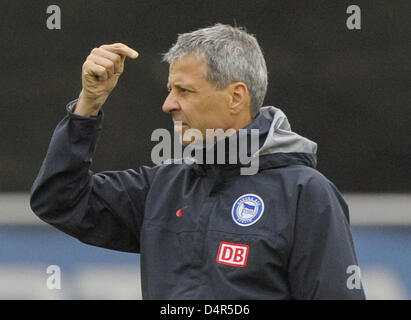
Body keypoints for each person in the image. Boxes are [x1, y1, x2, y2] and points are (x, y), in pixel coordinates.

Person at [30, 24, 366, 299]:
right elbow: (59, 199)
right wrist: (88, 104)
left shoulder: (305, 194)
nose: (168, 104)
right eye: (170, 89)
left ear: (236, 97)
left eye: (184, 91)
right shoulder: (163, 186)